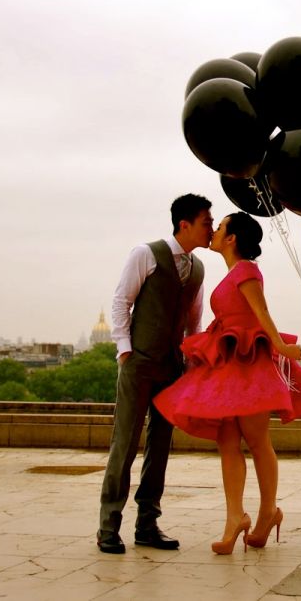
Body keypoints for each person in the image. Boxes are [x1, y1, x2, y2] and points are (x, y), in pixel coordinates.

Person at [154, 212, 301, 554]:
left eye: (220, 228)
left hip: (248, 361)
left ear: (232, 238)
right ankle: (235, 516)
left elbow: (262, 313)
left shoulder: (246, 270)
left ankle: (267, 512)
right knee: (227, 438)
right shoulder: (234, 272)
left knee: (256, 439)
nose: (215, 231)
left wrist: (280, 347)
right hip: (232, 358)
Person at [96, 194, 213, 555]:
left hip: (171, 366)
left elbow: (193, 320)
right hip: (139, 362)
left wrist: (192, 361)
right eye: (207, 222)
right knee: (125, 443)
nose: (212, 228)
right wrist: (124, 349)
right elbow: (121, 301)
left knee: (160, 447)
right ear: (185, 224)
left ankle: (147, 523)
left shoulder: (197, 269)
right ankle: (108, 526)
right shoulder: (145, 254)